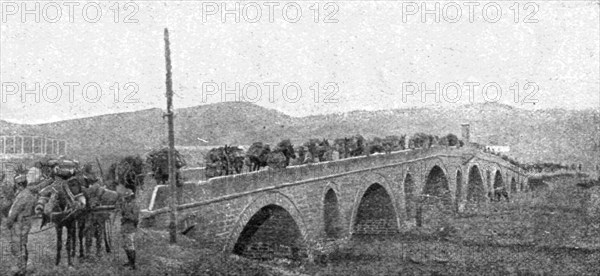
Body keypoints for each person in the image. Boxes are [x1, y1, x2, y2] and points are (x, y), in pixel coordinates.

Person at [117, 185, 139, 270]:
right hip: (124, 227)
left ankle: (132, 265)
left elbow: (135, 218)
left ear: (131, 197)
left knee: (130, 246)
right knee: (125, 246)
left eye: (127, 197)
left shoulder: (134, 205)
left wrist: (127, 216)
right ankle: (129, 261)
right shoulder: (125, 204)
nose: (126, 199)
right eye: (125, 198)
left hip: (130, 227)